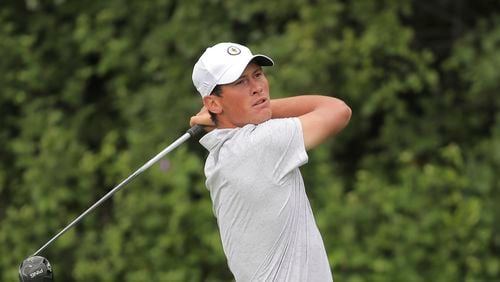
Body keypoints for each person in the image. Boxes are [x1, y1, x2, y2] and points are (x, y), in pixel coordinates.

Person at [189, 42, 351, 282]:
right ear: (212, 102)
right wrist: (263, 107)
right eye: (240, 82)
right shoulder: (259, 144)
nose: (257, 88)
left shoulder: (220, 157)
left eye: (257, 75)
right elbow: (338, 110)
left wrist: (224, 111)